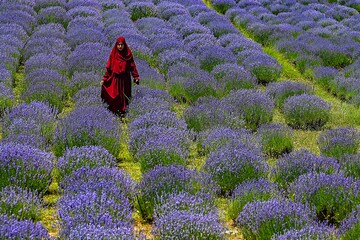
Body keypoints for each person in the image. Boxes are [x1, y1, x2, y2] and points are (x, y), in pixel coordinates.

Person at [101, 36, 139, 115]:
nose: (120, 46)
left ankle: (124, 112)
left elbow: (132, 66)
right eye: (118, 45)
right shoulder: (113, 54)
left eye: (122, 45)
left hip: (125, 79)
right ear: (116, 45)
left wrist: (136, 77)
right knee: (115, 95)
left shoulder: (128, 54)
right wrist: (104, 79)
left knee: (125, 96)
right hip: (115, 79)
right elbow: (109, 68)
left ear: (124, 45)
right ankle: (114, 112)